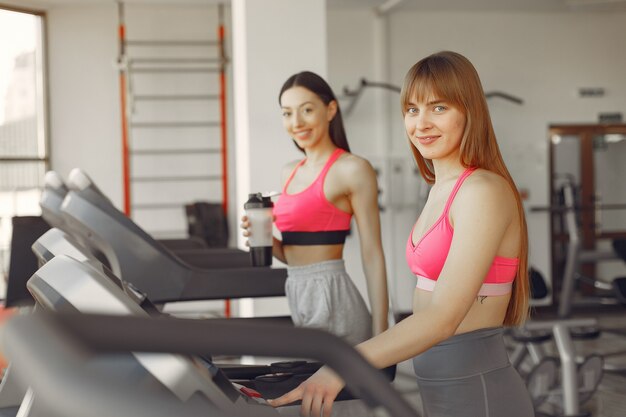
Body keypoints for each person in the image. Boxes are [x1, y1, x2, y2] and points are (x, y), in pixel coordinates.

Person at [268, 51, 534, 417]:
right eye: (412, 109)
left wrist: (345, 362)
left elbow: (443, 316)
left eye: (438, 108)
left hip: (476, 388)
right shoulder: (440, 188)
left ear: (469, 111)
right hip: (442, 384)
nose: (421, 123)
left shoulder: (482, 190)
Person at [241, 71, 389, 345]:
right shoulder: (289, 172)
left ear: (330, 109)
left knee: (338, 387)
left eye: (306, 110)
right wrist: (264, 239)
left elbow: (372, 253)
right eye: (287, 113)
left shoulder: (352, 169)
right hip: (297, 291)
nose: (296, 122)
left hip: (333, 297)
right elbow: (294, 256)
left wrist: (382, 337)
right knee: (311, 385)